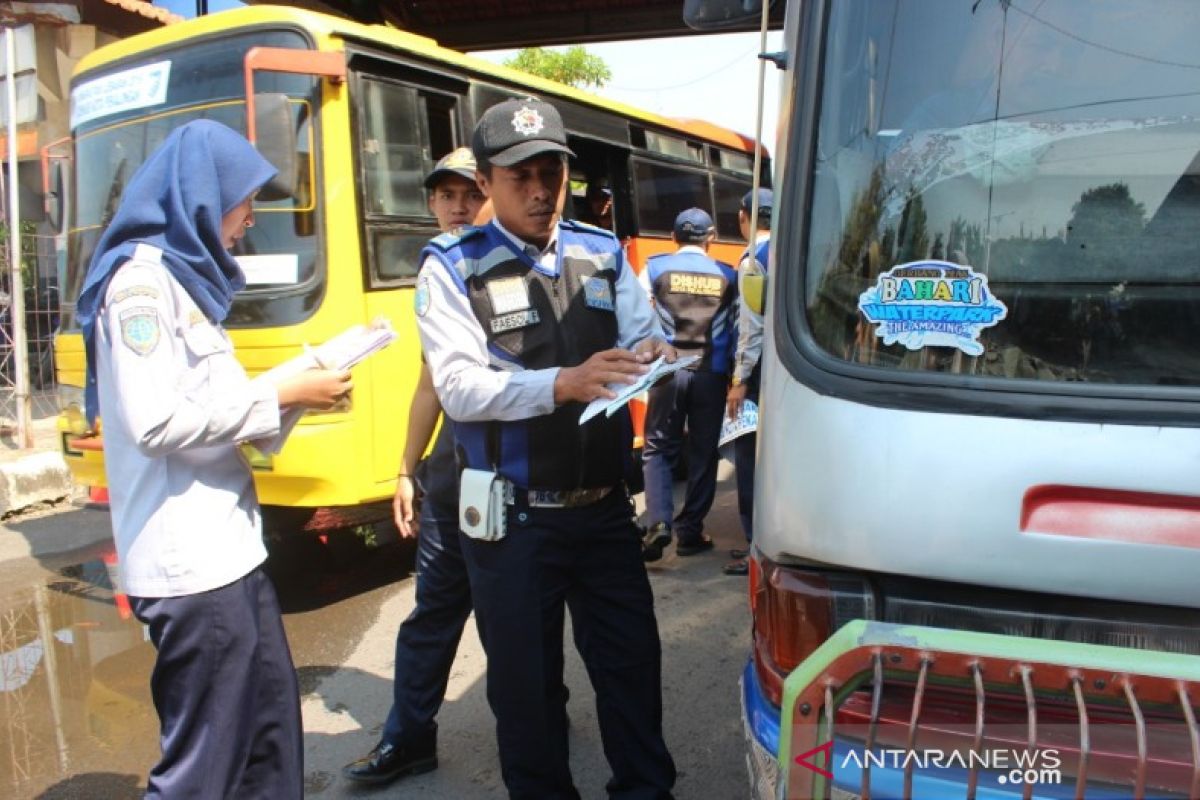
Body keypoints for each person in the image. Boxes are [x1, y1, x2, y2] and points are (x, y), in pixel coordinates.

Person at [75, 120, 352, 799]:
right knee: (204, 765)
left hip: (229, 553)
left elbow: (221, 408)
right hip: (190, 567)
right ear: (201, 197)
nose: (250, 218)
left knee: (268, 741)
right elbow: (158, 420)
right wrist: (282, 391)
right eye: (243, 199)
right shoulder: (141, 288)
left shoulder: (186, 288)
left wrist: (297, 392)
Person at [416, 97, 677, 799]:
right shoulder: (450, 267)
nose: (539, 192)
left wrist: (650, 351)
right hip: (513, 521)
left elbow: (640, 332)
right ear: (487, 181)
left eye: (551, 175)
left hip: (603, 513)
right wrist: (562, 383)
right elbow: (461, 389)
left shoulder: (601, 251)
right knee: (526, 698)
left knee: (632, 670)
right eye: (520, 176)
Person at [342, 148, 533, 785]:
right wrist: (406, 470)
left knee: (522, 615)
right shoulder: (439, 275)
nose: (455, 206)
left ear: (490, 194)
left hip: (514, 476)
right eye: (443, 195)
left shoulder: (523, 266)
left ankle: (543, 721)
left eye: (467, 195)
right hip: (454, 480)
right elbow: (430, 385)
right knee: (432, 613)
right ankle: (408, 737)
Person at [639, 208, 738, 562]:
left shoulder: (652, 269)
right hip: (711, 373)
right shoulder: (729, 275)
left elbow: (639, 319)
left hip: (667, 370)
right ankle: (690, 531)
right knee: (703, 452)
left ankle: (659, 523)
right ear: (710, 238)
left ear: (673, 236)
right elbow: (739, 329)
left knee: (657, 448)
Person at [724, 188, 772, 577]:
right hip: (785, 369)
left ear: (746, 217)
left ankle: (754, 545)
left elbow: (750, 327)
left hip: (757, 374)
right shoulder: (790, 249)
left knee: (748, 461)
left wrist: (739, 379)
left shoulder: (753, 260)